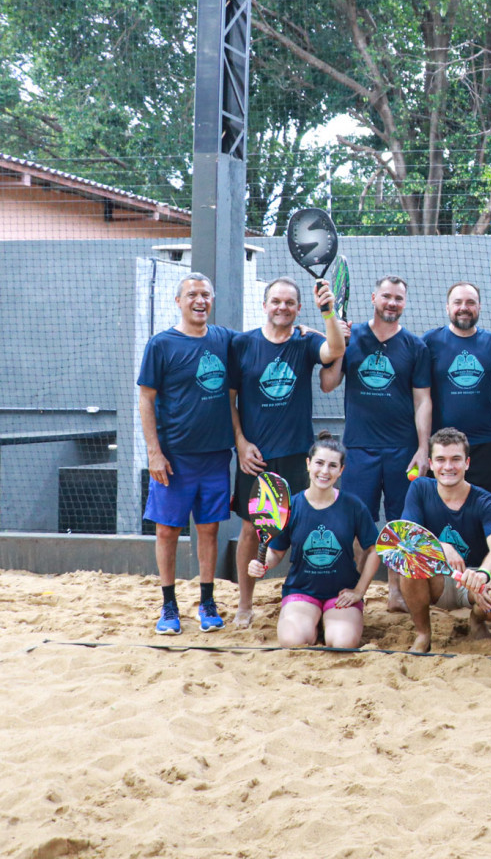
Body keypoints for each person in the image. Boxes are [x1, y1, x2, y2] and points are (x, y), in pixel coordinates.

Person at [229, 276, 345, 626]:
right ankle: (245, 604)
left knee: (306, 527)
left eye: (290, 303)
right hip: (256, 459)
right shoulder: (242, 344)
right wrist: (241, 442)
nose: (282, 307)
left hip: (297, 456)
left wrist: (328, 313)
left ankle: (307, 596)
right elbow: (229, 400)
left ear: (298, 308)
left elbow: (335, 351)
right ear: (265, 305)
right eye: (276, 301)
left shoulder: (306, 342)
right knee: (251, 531)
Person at [137, 273, 238, 634]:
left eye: (206, 294)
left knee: (208, 530)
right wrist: (154, 452)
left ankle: (207, 601)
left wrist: (308, 329)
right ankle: (168, 607)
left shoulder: (224, 339)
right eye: (192, 294)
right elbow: (146, 399)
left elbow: (264, 343)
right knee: (167, 532)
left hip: (214, 457)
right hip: (174, 459)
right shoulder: (161, 344)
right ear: (178, 301)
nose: (200, 300)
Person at [247, 434, 379, 649]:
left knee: (343, 644)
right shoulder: (291, 507)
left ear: (341, 470)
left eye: (332, 466)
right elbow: (277, 553)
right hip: (302, 592)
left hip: (341, 595)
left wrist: (359, 591)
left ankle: (328, 622)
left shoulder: (353, 506)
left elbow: (374, 550)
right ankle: (313, 622)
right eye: (319, 463)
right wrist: (263, 564)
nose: (325, 471)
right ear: (308, 464)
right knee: (293, 641)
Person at [327, 276, 431, 531]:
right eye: (386, 296)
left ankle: (397, 574)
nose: (392, 303)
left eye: (398, 298)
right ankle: (362, 574)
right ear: (374, 298)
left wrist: (423, 448)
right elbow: (328, 384)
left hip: (403, 452)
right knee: (356, 526)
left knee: (405, 528)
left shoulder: (416, 347)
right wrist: (339, 345)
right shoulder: (350, 336)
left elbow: (423, 401)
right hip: (359, 449)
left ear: (405, 303)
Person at [398, 428, 491, 652]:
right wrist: (441, 546)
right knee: (408, 563)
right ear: (430, 463)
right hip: (437, 577)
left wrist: (482, 575)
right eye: (441, 459)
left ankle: (476, 621)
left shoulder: (486, 501)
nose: (448, 467)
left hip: (473, 577)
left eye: (455, 459)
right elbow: (405, 537)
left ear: (467, 463)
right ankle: (423, 634)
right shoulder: (419, 488)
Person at [423, 281, 491, 502]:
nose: (464, 307)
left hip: (485, 446)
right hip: (441, 448)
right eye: (458, 302)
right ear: (447, 307)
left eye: (470, 302)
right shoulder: (430, 341)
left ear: (479, 307)